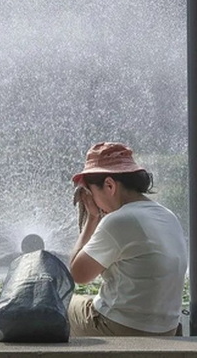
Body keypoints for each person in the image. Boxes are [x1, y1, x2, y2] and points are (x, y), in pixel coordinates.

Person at [68, 142, 187, 336]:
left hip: (123, 328)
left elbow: (78, 274)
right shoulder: (167, 215)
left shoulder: (119, 220)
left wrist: (92, 218)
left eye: (90, 193)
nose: (92, 200)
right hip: (166, 330)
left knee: (58, 301)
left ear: (109, 185)